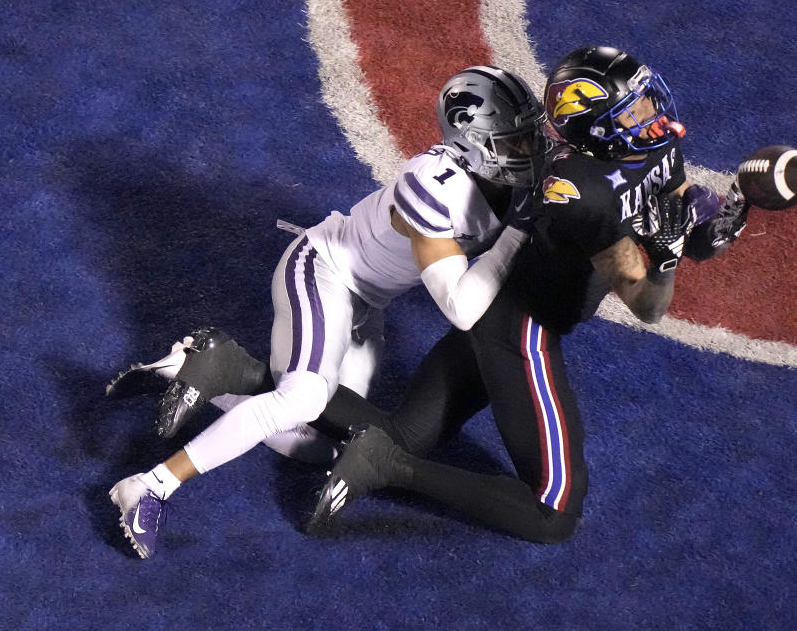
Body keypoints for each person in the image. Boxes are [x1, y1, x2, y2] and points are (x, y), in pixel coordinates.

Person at [304, 46, 756, 543]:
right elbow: (650, 305)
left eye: (647, 100)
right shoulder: (581, 193)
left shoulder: (652, 145)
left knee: (409, 434)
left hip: (506, 310)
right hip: (522, 329)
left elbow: (678, 219)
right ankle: (385, 469)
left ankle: (238, 369)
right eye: (636, 108)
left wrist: (722, 221)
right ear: (600, 126)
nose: (653, 114)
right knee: (553, 513)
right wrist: (666, 261)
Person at [107, 65, 545, 559]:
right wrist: (518, 231)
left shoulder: (509, 176)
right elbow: (461, 308)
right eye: (515, 141)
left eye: (532, 133)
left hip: (367, 304)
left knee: (323, 445)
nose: (531, 150)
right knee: (306, 396)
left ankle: (212, 369)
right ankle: (150, 485)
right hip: (323, 273)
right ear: (471, 146)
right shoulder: (434, 186)